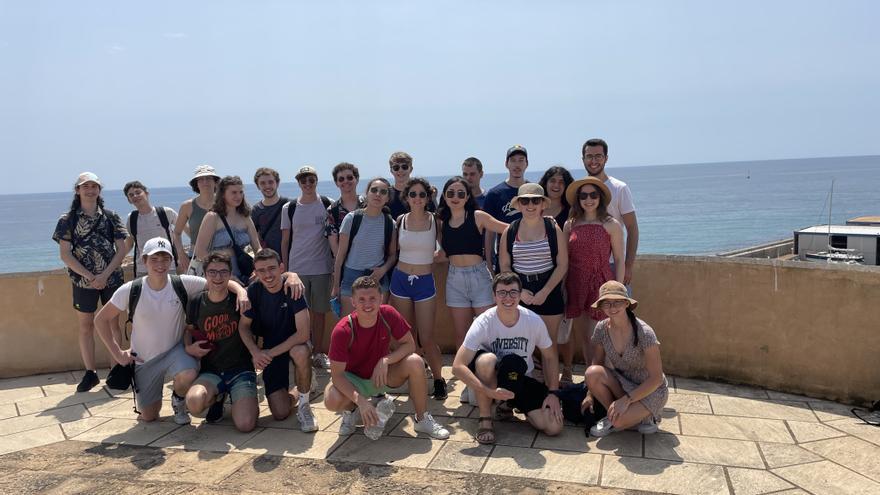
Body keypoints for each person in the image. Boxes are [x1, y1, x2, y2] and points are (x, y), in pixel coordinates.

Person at [93, 237, 249, 424]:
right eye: (154, 259)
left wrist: (241, 292)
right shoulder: (131, 289)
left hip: (176, 352)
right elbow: (100, 319)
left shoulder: (181, 283)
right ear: (144, 261)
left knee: (189, 373)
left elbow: (218, 282)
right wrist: (117, 353)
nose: (160, 264)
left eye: (165, 259)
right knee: (149, 416)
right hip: (144, 359)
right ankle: (151, 403)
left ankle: (178, 399)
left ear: (171, 261)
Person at [323, 276, 449, 440]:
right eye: (361, 299)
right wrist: (360, 400)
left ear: (381, 298)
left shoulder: (388, 314)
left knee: (416, 362)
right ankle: (351, 410)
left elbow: (409, 345)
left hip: (381, 376)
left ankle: (422, 418)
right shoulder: (342, 330)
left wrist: (385, 360)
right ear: (353, 302)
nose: (367, 304)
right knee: (331, 400)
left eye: (372, 298)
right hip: (355, 381)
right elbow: (337, 375)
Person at [452, 272, 563, 444]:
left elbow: (550, 356)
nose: (508, 298)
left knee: (553, 427)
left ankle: (511, 404)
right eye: (502, 292)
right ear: (494, 295)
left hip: (520, 378)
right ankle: (485, 417)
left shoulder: (532, 320)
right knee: (487, 360)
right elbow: (457, 366)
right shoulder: (484, 322)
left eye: (513, 292)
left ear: (520, 295)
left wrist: (553, 392)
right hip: (490, 382)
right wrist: (487, 391)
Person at [52, 172, 128, 392]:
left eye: (94, 186)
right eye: (85, 186)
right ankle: (90, 373)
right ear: (78, 190)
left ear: (99, 191)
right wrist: (91, 276)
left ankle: (117, 369)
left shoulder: (111, 216)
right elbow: (65, 254)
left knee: (113, 324)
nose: (90, 190)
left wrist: (104, 275)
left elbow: (121, 249)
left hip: (111, 279)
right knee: (86, 327)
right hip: (82, 282)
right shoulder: (67, 220)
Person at [238, 249, 317, 431]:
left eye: (272, 268)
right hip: (270, 347)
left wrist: (267, 354)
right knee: (280, 413)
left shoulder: (293, 287)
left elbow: (303, 334)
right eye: (262, 270)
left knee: (301, 351)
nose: (268, 275)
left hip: (293, 344)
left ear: (281, 268)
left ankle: (305, 406)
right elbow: (243, 326)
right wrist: (255, 352)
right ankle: (302, 388)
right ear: (255, 273)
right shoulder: (254, 291)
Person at [183, 252, 259, 432]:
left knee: (245, 425)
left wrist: (241, 290)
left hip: (240, 369)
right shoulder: (196, 302)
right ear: (205, 275)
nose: (218, 277)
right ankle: (218, 397)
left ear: (230, 274)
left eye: (224, 272)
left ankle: (240, 398)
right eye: (212, 272)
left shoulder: (240, 301)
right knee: (194, 403)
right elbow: (189, 329)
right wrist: (189, 347)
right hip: (212, 371)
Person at [499, 184, 568, 379]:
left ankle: (551, 393)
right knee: (519, 345)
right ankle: (519, 394)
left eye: (535, 200)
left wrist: (545, 291)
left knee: (549, 347)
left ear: (542, 205)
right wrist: (520, 292)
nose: (530, 205)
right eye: (525, 200)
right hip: (520, 291)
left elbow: (562, 264)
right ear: (519, 205)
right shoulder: (510, 231)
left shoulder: (552, 228)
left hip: (550, 289)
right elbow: (505, 266)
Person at [583, 281, 667, 437]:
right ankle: (615, 416)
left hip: (650, 389)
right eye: (606, 303)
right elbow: (598, 363)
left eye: (617, 302)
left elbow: (656, 379)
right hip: (623, 383)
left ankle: (645, 416)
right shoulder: (601, 328)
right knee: (592, 373)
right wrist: (590, 394)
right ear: (601, 306)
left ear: (627, 303)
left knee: (620, 423)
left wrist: (626, 400)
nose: (612, 307)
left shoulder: (645, 333)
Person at [389, 178, 445, 400]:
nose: (418, 198)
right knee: (406, 336)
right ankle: (416, 377)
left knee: (427, 336)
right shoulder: (399, 220)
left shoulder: (435, 221)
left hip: (424, 282)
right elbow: (393, 253)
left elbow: (442, 250)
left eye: (422, 194)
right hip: (400, 281)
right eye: (413, 194)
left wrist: (441, 255)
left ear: (428, 197)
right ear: (406, 197)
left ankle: (439, 379)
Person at [436, 177, 508, 348]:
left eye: (461, 193)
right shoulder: (441, 222)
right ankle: (466, 371)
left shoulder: (478, 216)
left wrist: (538, 222)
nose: (456, 197)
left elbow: (508, 229)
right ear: (444, 196)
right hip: (454, 280)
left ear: (468, 197)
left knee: (488, 331)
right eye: (451, 193)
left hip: (480, 278)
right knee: (462, 334)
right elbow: (444, 254)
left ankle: (491, 371)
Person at [564, 177, 625, 366]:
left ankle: (599, 380)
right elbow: (565, 259)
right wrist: (563, 287)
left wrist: (618, 290)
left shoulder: (611, 224)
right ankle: (592, 383)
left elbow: (619, 259)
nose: (588, 199)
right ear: (578, 199)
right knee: (583, 337)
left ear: (600, 198)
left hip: (601, 284)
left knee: (597, 337)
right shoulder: (570, 224)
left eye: (593, 195)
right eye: (583, 195)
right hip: (575, 283)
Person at [281, 166, 333, 370]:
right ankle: (301, 352)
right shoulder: (289, 208)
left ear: (316, 181)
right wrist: (285, 269)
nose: (307, 184)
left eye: (311, 179)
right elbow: (285, 241)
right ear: (298, 183)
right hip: (297, 270)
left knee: (319, 313)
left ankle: (318, 352)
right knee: (298, 314)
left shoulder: (328, 204)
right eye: (303, 180)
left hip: (321, 267)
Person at [331, 177, 397, 316]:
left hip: (377, 278)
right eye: (374, 190)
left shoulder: (390, 223)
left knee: (377, 325)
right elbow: (340, 255)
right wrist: (336, 286)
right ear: (367, 193)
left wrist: (383, 270)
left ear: (387, 198)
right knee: (350, 326)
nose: (378, 194)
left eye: (383, 192)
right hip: (351, 277)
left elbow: (392, 255)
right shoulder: (352, 218)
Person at [582, 138, 639, 286]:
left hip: (614, 265)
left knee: (618, 308)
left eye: (598, 156)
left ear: (606, 159)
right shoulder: (580, 190)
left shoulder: (619, 188)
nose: (593, 161)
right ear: (583, 159)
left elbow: (632, 228)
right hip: (584, 268)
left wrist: (628, 266)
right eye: (589, 156)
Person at [538, 167, 576, 382]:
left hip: (564, 275)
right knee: (540, 329)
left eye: (561, 182)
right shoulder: (537, 207)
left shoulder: (571, 211)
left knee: (565, 328)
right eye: (552, 180)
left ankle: (568, 369)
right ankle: (544, 370)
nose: (556, 185)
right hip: (539, 275)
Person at [193, 176, 262, 284]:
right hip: (217, 274)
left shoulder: (245, 217)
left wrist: (260, 267)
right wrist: (223, 273)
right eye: (234, 192)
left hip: (242, 271)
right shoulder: (212, 217)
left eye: (241, 192)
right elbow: (200, 252)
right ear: (223, 194)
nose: (238, 196)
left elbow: (257, 247)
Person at [483, 145, 529, 270]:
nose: (517, 165)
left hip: (531, 258)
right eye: (513, 160)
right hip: (505, 258)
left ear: (527, 164)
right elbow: (489, 231)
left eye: (521, 160)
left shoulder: (533, 192)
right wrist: (488, 262)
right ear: (506, 164)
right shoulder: (495, 194)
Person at [123, 181, 182, 277]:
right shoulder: (132, 218)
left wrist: (183, 254)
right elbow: (130, 243)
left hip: (167, 267)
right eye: (131, 195)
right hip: (143, 270)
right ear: (129, 200)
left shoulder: (165, 212)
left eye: (138, 192)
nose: (135, 196)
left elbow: (185, 229)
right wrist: (116, 261)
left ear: (146, 193)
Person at [174, 165, 220, 275]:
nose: (205, 182)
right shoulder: (187, 206)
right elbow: (176, 232)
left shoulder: (224, 204)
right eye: (201, 179)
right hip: (196, 258)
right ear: (196, 183)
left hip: (222, 257)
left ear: (215, 182)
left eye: (209, 178)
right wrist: (181, 254)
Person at [325, 162, 366, 257]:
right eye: (341, 179)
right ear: (336, 183)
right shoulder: (332, 210)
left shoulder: (368, 204)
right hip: (347, 266)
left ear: (357, 179)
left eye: (350, 177)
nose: (346, 181)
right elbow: (334, 245)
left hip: (371, 262)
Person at [251, 167, 289, 256]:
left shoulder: (289, 205)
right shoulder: (256, 210)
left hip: (291, 256)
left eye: (271, 182)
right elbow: (254, 238)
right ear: (258, 186)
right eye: (263, 183)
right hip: (269, 260)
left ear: (277, 183)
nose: (267, 186)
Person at [386, 151, 435, 219]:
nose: (400, 170)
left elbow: (434, 216)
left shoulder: (421, 193)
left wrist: (434, 199)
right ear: (391, 171)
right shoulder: (386, 194)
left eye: (404, 167)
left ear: (411, 169)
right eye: (396, 167)